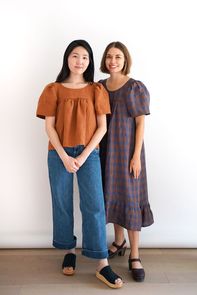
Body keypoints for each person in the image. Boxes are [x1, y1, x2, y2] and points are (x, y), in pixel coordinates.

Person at [36, 39, 123, 289]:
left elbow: (102, 127)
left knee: (94, 205)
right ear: (67, 58)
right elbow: (49, 127)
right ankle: (69, 250)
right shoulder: (52, 89)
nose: (79, 61)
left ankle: (102, 263)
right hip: (59, 153)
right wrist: (64, 155)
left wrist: (83, 156)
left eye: (85, 57)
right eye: (75, 56)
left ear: (89, 61)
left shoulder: (97, 89)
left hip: (89, 154)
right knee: (62, 203)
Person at [99, 41, 154, 282]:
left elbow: (141, 122)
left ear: (125, 60)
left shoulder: (134, 87)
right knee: (112, 195)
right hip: (105, 151)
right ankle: (118, 241)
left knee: (130, 199)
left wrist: (135, 156)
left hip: (128, 152)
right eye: (109, 56)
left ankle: (135, 254)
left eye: (118, 56)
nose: (113, 60)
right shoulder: (100, 87)